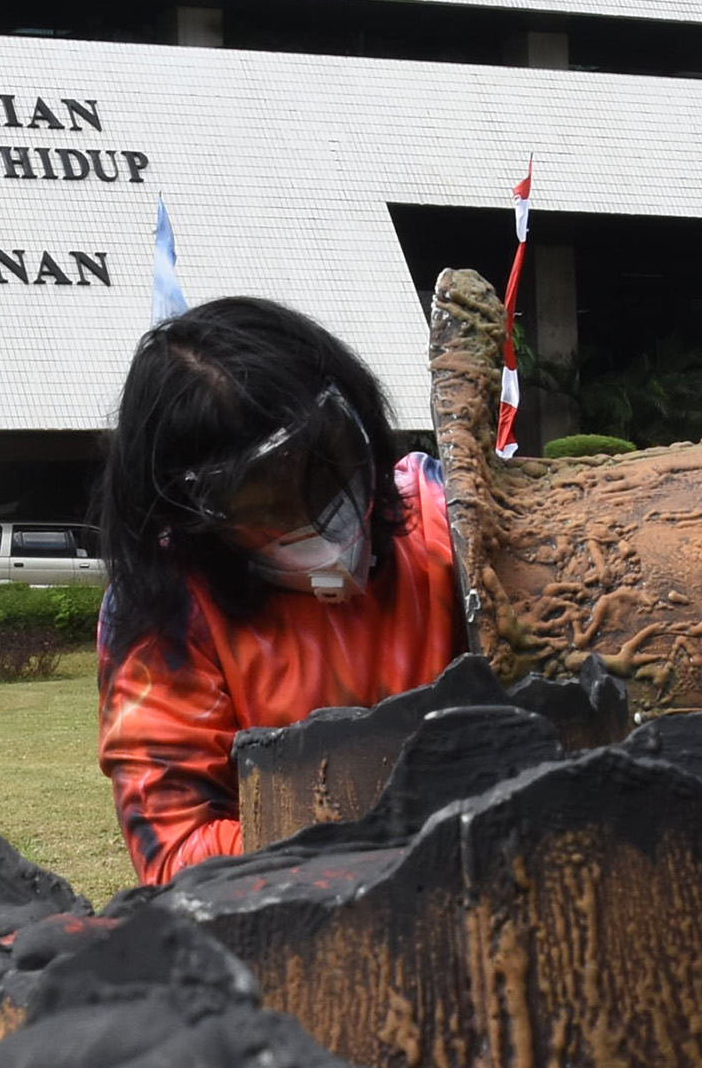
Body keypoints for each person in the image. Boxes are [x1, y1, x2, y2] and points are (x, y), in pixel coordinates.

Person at [94, 299, 462, 883]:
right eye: (265, 501)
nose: (318, 519)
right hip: (302, 930)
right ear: (195, 516)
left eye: (328, 465)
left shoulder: (447, 520)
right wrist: (380, 832)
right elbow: (175, 854)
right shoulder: (166, 612)